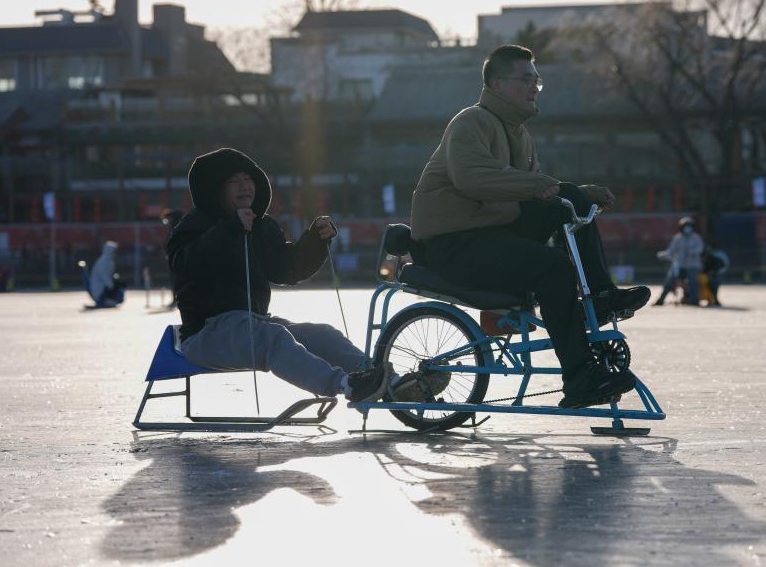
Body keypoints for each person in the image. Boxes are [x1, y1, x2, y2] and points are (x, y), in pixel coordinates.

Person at [409, 45, 651, 409]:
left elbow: (538, 194)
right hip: (453, 244)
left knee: (571, 202)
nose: (534, 88)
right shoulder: (471, 122)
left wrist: (578, 193)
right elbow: (472, 178)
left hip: (492, 234)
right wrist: (538, 184)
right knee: (554, 267)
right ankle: (579, 379)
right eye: (525, 80)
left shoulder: (520, 134)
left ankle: (601, 295)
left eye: (537, 81)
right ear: (496, 84)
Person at [168, 147, 394, 403]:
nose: (244, 187)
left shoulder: (260, 225)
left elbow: (286, 268)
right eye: (234, 181)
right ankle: (346, 385)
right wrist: (230, 230)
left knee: (323, 335)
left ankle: (389, 382)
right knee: (273, 338)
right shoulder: (193, 226)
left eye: (248, 179)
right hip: (207, 333)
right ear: (216, 188)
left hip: (255, 321)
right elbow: (186, 265)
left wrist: (315, 241)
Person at [653, 217, 704, 306]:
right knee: (669, 281)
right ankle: (660, 300)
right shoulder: (677, 238)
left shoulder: (696, 238)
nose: (687, 228)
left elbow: (700, 249)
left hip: (692, 266)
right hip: (679, 266)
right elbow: (671, 251)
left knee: (693, 281)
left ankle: (695, 300)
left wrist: (693, 252)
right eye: (685, 226)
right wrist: (663, 254)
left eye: (689, 226)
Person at [89, 240, 126, 307]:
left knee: (120, 285)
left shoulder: (110, 261)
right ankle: (104, 300)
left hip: (104, 286)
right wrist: (113, 286)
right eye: (114, 252)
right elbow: (105, 277)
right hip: (99, 289)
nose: (115, 253)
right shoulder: (103, 261)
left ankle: (111, 300)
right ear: (110, 251)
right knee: (117, 287)